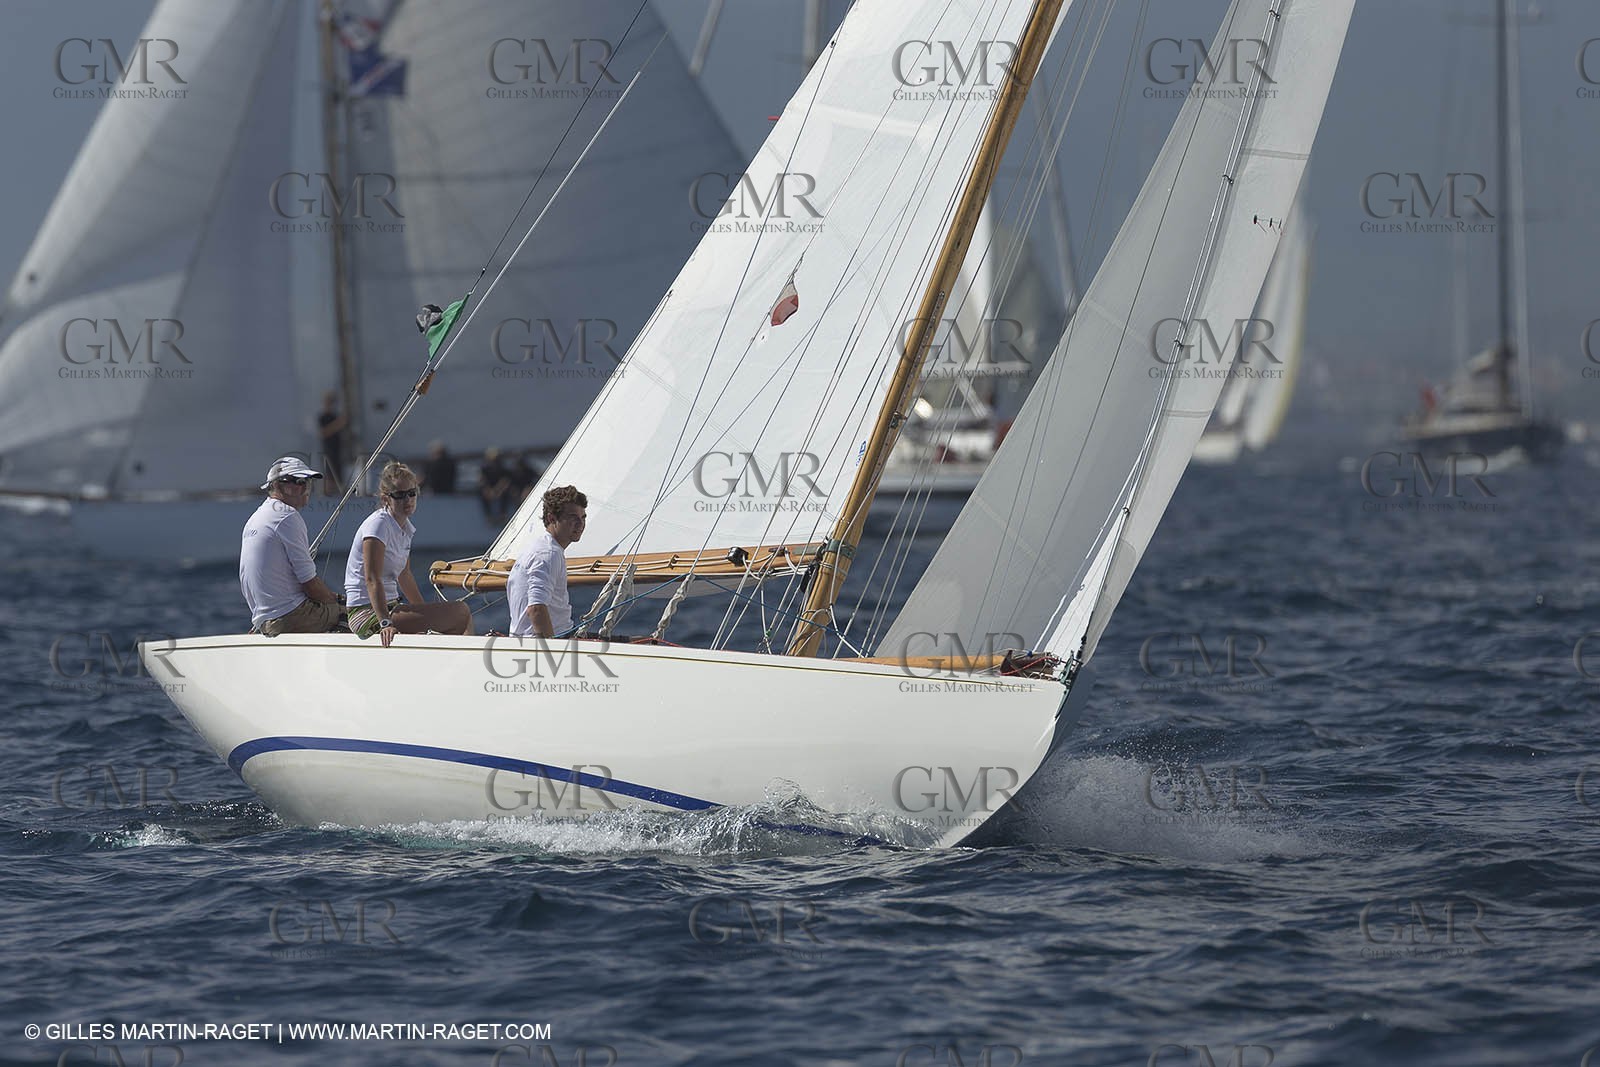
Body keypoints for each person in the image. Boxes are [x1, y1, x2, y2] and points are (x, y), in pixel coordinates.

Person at [344, 461, 475, 647]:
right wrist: (385, 623)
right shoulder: (378, 525)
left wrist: (426, 613)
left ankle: (455, 658)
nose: (407, 500)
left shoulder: (405, 528)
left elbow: (404, 575)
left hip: (391, 607)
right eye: (399, 495)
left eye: (412, 493)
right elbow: (372, 578)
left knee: (459, 618)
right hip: (366, 613)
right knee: (460, 612)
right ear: (386, 499)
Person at [241, 457, 344, 636]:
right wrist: (338, 601)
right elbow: (310, 585)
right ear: (277, 485)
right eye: (298, 482)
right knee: (359, 616)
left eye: (307, 483)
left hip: (265, 621)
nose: (305, 488)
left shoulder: (255, 517)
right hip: (291, 617)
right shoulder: (287, 516)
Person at [507, 485, 586, 638]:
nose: (580, 523)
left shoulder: (540, 547)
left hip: (528, 640)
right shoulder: (549, 554)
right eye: (573, 517)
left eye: (583, 517)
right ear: (551, 519)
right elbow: (536, 609)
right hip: (546, 642)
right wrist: (551, 650)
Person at [317, 391, 349, 494]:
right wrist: (338, 424)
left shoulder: (335, 416)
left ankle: (336, 489)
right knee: (329, 470)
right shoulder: (323, 417)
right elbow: (324, 432)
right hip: (328, 448)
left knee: (337, 470)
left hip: (337, 448)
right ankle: (327, 490)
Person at [479, 447, 511, 522]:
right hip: (489, 490)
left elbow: (505, 481)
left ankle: (503, 515)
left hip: (499, 490)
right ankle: (489, 516)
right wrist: (488, 490)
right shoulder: (484, 469)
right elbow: (482, 480)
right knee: (482, 494)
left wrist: (498, 490)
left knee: (506, 494)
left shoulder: (502, 469)